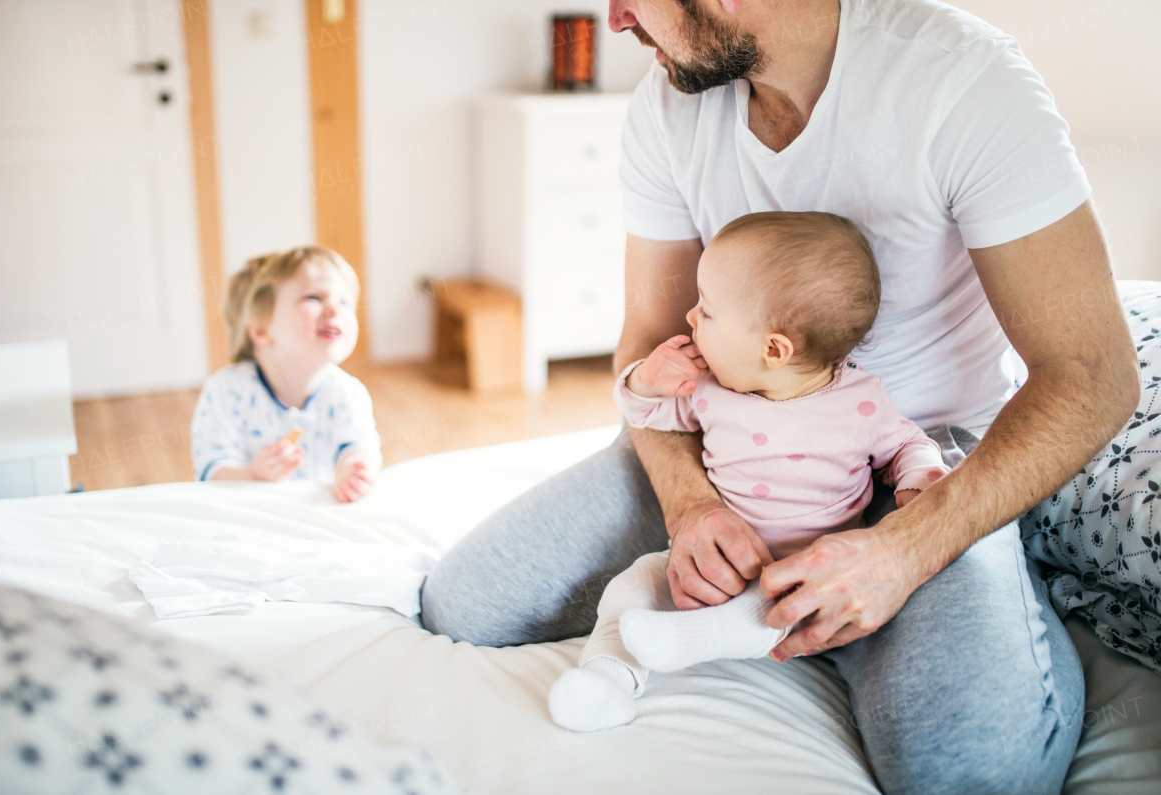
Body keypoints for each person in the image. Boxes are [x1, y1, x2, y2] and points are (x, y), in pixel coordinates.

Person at [421, 1, 1140, 792]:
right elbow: (650, 339)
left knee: (968, 769)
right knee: (467, 604)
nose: (617, 18)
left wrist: (903, 552)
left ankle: (947, 614)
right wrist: (690, 501)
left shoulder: (961, 82)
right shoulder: (668, 104)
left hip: (922, 470)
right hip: (727, 439)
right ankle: (796, 614)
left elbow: (1093, 371)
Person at [548, 211, 952, 732]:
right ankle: (606, 679)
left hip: (795, 575)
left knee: (773, 611)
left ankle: (680, 645)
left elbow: (908, 445)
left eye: (707, 312)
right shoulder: (709, 389)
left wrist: (920, 478)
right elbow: (643, 415)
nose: (689, 318)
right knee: (635, 582)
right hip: (709, 564)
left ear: (774, 348)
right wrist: (647, 381)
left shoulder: (860, 403)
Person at [190, 246, 381, 502]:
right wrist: (254, 475)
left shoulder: (348, 392)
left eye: (345, 301)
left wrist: (356, 468)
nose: (335, 309)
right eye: (313, 297)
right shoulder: (227, 390)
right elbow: (210, 471)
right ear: (260, 330)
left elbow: (359, 447)